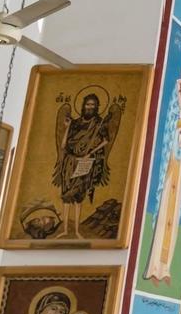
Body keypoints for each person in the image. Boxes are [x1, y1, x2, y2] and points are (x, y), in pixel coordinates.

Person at [145, 56, 181, 283]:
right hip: (170, 160)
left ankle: (166, 267)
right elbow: (169, 121)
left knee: (175, 215)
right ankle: (154, 265)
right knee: (164, 208)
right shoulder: (176, 101)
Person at [52, 89, 127, 239]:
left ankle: (78, 230)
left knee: (79, 196)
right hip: (69, 162)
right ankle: (66, 230)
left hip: (84, 162)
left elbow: (105, 140)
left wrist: (90, 153)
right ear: (83, 106)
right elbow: (63, 145)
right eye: (87, 104)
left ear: (97, 106)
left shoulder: (99, 123)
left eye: (92, 105)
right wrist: (67, 127)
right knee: (66, 196)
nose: (89, 107)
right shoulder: (75, 122)